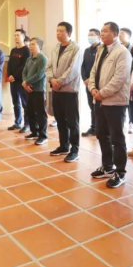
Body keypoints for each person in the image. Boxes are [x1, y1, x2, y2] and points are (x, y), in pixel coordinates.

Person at [88, 22, 132, 188]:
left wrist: (102, 93)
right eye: (101, 31)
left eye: (105, 31)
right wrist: (93, 88)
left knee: (117, 138)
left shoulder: (123, 52)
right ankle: (107, 166)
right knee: (101, 134)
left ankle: (120, 172)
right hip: (99, 99)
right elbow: (94, 71)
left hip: (115, 102)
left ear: (115, 34)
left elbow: (119, 79)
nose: (102, 33)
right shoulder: (101, 49)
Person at [46, 22, 82, 163]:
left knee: (72, 122)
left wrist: (59, 82)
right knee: (60, 119)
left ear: (69, 33)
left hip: (69, 91)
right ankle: (63, 146)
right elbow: (49, 66)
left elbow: (73, 70)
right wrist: (52, 80)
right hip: (56, 90)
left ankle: (75, 149)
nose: (58, 33)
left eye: (61, 31)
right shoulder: (56, 48)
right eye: (57, 30)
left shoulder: (75, 48)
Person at [23, 38, 49, 145]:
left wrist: (27, 82)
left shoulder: (43, 59)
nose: (30, 46)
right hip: (29, 89)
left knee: (40, 113)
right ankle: (34, 132)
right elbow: (24, 72)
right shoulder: (29, 59)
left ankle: (43, 135)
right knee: (29, 111)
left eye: (33, 44)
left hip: (38, 89)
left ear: (39, 46)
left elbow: (40, 74)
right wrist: (25, 82)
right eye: (30, 44)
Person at [7, 29, 31, 132]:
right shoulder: (13, 50)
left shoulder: (27, 50)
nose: (16, 37)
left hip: (22, 81)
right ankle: (17, 122)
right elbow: (9, 64)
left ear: (23, 37)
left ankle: (27, 124)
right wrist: (9, 75)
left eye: (18, 35)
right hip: (13, 82)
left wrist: (15, 76)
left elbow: (24, 66)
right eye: (15, 35)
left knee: (25, 104)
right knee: (15, 103)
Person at [82, 28, 102, 137]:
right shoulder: (87, 50)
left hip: (97, 84)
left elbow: (100, 67)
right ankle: (93, 127)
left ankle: (100, 128)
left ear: (98, 37)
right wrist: (85, 79)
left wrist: (92, 80)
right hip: (88, 84)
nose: (90, 37)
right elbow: (83, 66)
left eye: (92, 35)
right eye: (88, 35)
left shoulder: (102, 49)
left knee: (98, 107)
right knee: (91, 106)